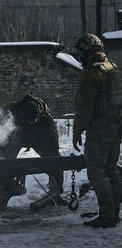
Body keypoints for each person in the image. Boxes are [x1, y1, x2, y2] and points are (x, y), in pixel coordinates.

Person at [73, 33, 122, 228]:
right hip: (115, 128)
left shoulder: (90, 73)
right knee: (111, 170)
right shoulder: (113, 67)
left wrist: (77, 131)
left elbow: (85, 107)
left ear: (85, 50)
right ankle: (113, 213)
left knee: (96, 172)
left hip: (99, 130)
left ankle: (107, 216)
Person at [0, 94, 67, 212]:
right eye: (29, 120)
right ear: (23, 114)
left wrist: (53, 157)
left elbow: (52, 142)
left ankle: (55, 193)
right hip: (18, 135)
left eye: (34, 120)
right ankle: (3, 197)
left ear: (38, 115)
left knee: (54, 158)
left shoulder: (46, 118)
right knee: (5, 162)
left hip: (38, 137)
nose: (31, 123)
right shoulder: (11, 111)